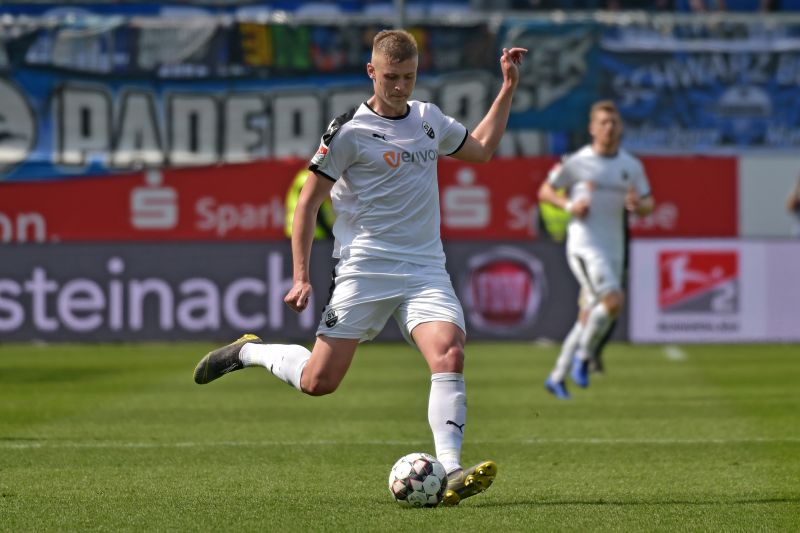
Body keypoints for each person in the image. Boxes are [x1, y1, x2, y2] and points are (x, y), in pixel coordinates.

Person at [193, 29, 527, 506]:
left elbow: (482, 149)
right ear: (372, 72)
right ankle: (248, 352)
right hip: (364, 269)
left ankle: (452, 470)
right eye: (391, 77)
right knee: (318, 382)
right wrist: (301, 276)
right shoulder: (349, 130)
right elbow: (307, 204)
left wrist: (507, 87)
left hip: (424, 268)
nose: (400, 87)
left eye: (408, 77)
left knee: (449, 355)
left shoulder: (428, 119)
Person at [539, 100, 654, 399]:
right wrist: (569, 205)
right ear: (592, 128)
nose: (609, 127)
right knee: (614, 301)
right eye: (603, 122)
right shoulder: (577, 162)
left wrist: (639, 205)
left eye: (614, 122)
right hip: (585, 246)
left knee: (589, 315)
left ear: (621, 127)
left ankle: (556, 376)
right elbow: (545, 190)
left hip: (614, 248)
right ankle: (585, 357)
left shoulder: (631, 166)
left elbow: (648, 202)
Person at [285, 167, 335, 240]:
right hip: (308, 231)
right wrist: (328, 231)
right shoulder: (310, 179)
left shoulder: (305, 177)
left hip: (305, 231)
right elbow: (311, 208)